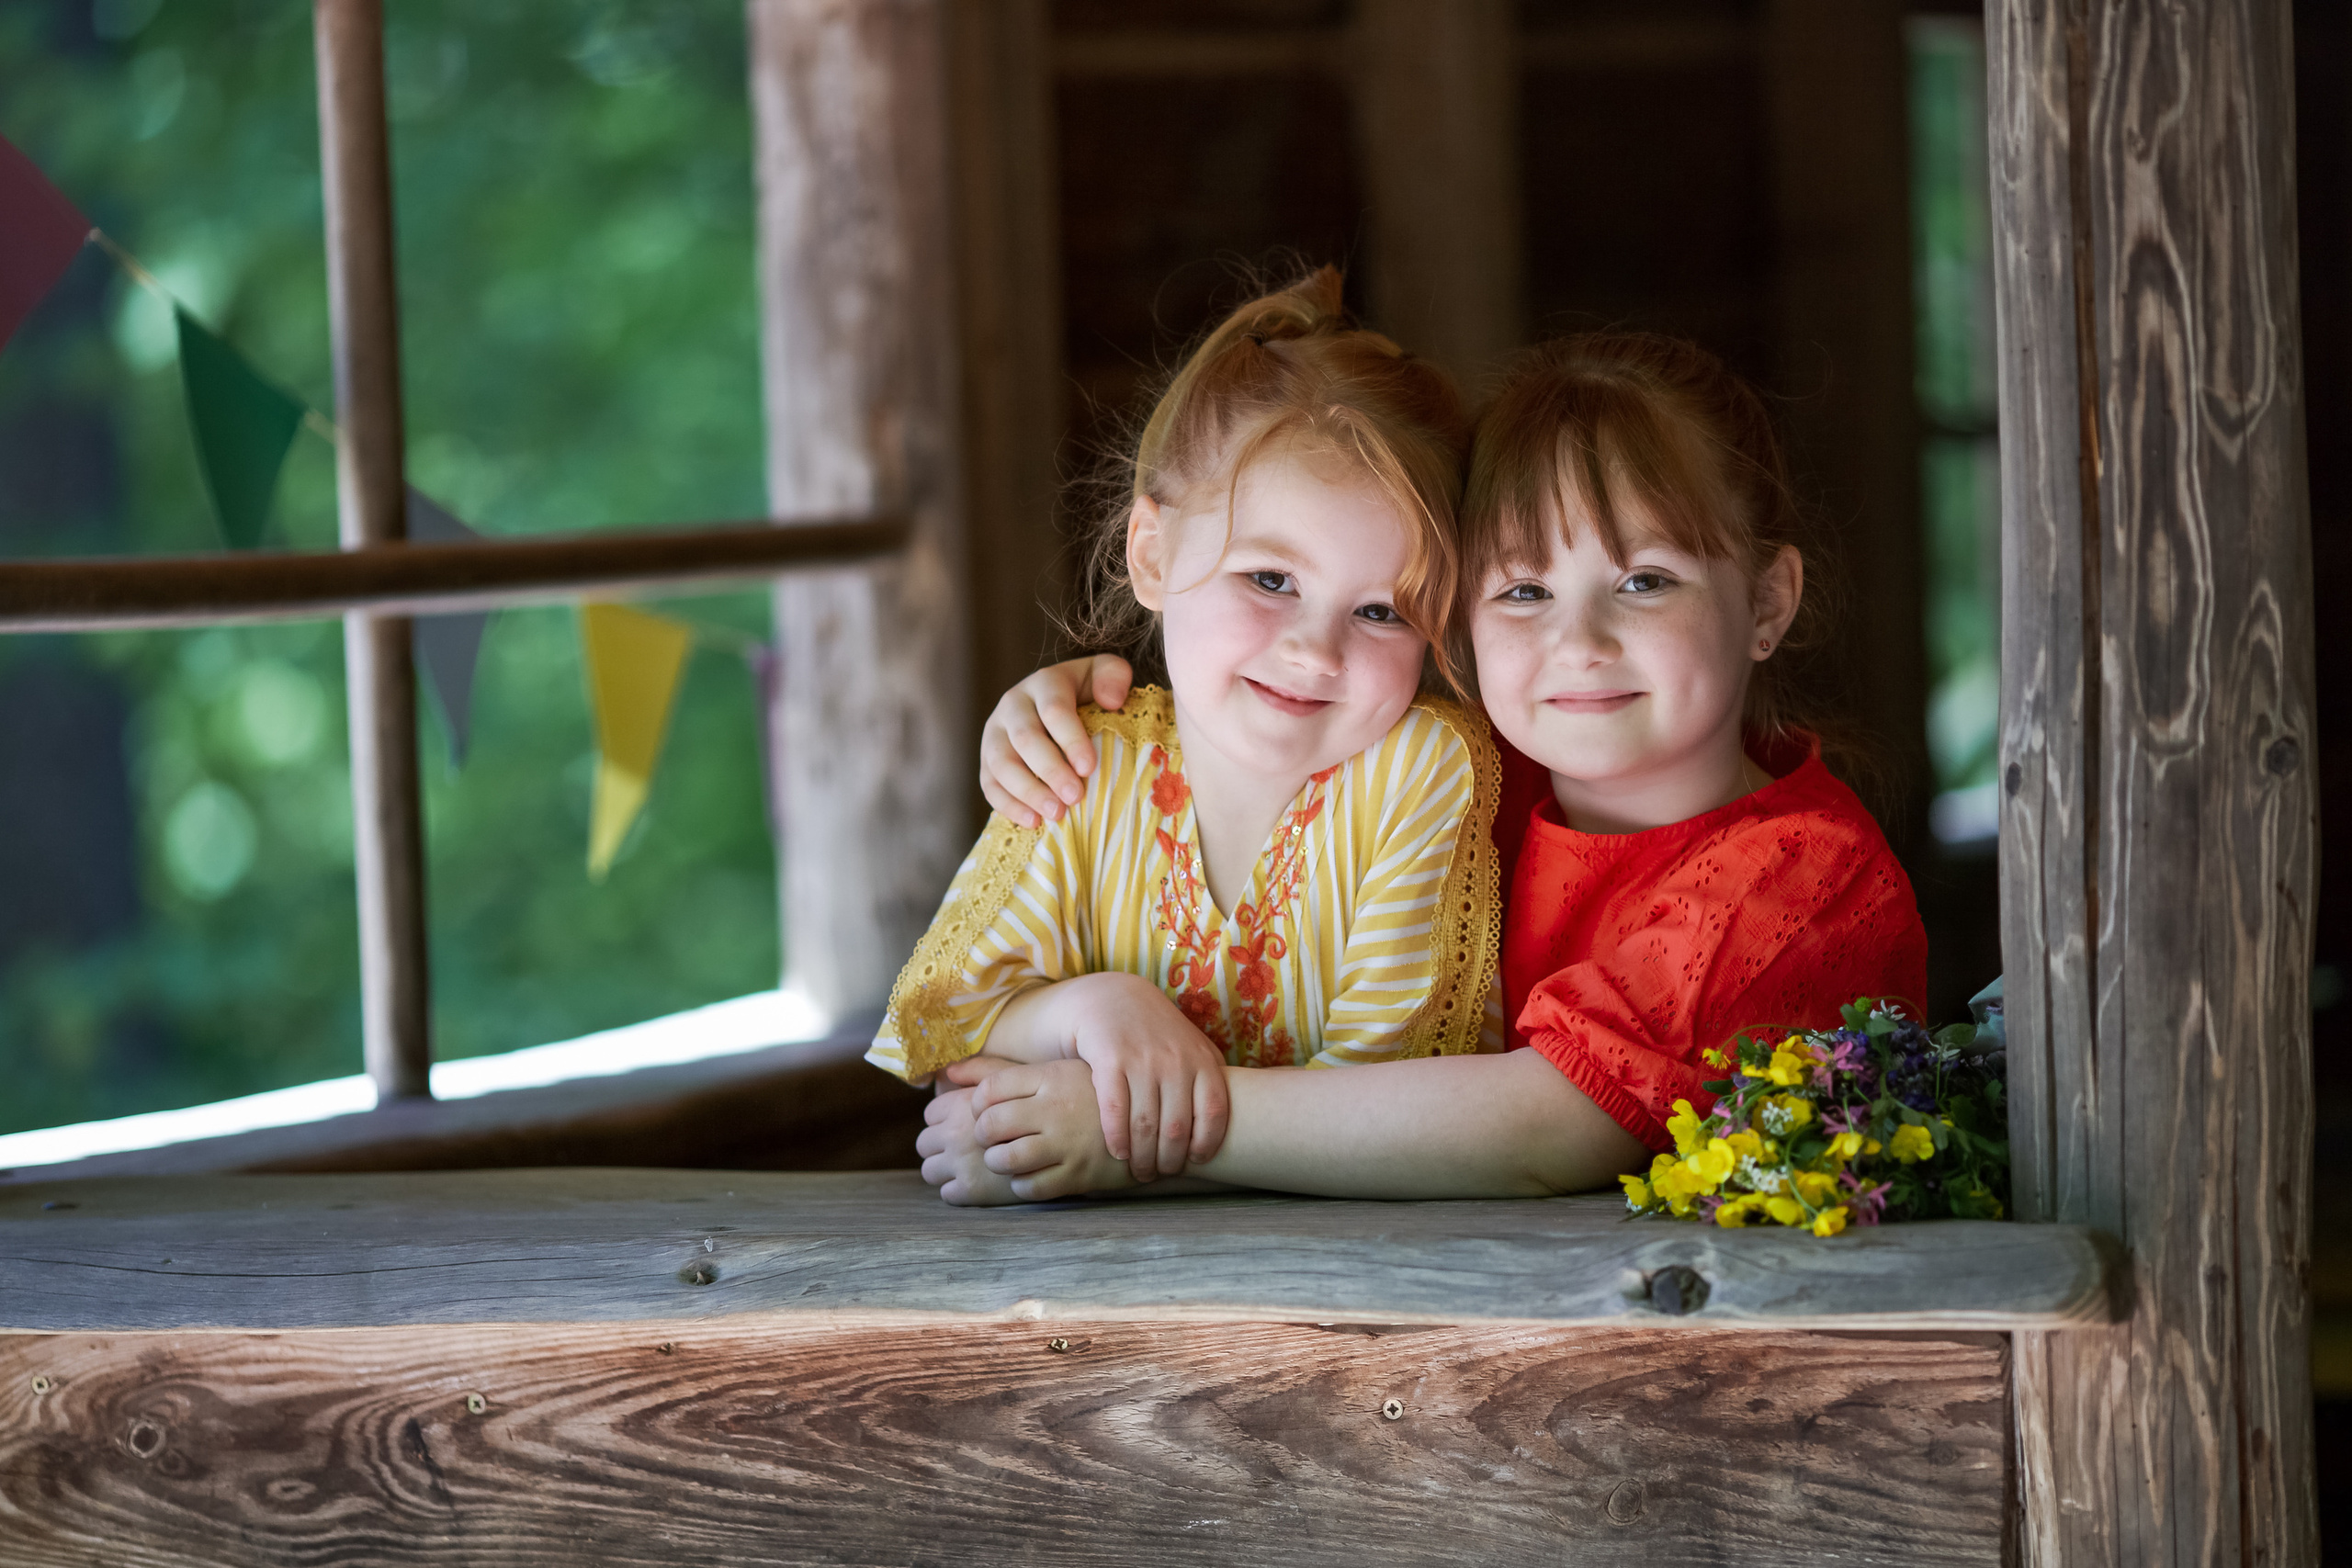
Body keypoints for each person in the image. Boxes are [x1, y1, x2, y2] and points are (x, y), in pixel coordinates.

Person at [964, 331, 1928, 1201]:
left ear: (1765, 604)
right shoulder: (1460, 774)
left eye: (1644, 581)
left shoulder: (1803, 874)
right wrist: (1092, 715)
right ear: (1455, 614)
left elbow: (1545, 1128)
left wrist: (1152, 1128)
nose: (1579, 641)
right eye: (1522, 589)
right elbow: (1256, 732)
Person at [870, 266, 1504, 1205]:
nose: (1315, 652)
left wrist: (1114, 1140)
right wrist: (1091, 1009)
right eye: (1270, 581)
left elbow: (1385, 1110)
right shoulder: (1086, 757)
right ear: (1152, 555)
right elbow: (942, 1028)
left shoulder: (1422, 770)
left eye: (1381, 611)